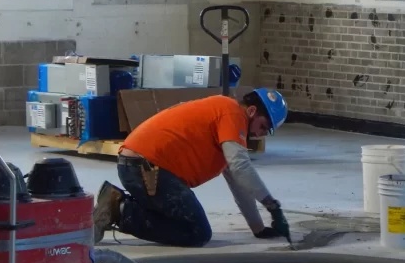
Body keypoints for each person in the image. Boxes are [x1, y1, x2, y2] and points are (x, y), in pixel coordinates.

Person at [91, 88, 292, 247]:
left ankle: (119, 205)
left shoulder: (227, 126)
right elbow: (241, 166)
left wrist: (258, 229)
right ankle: (119, 210)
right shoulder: (232, 112)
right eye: (264, 127)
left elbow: (239, 182)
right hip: (147, 168)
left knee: (186, 222)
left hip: (142, 166)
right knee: (196, 232)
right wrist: (272, 205)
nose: (261, 134)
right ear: (252, 111)